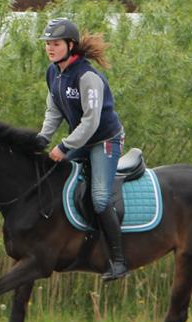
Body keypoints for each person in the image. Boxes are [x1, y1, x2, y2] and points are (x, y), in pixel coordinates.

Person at [36, 17, 128, 281]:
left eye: (55, 43)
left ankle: (119, 262)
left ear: (70, 45)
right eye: (47, 44)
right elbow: (53, 110)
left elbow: (92, 121)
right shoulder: (53, 73)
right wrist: (42, 139)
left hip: (104, 141)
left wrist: (64, 146)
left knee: (100, 198)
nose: (50, 48)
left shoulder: (88, 77)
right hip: (81, 140)